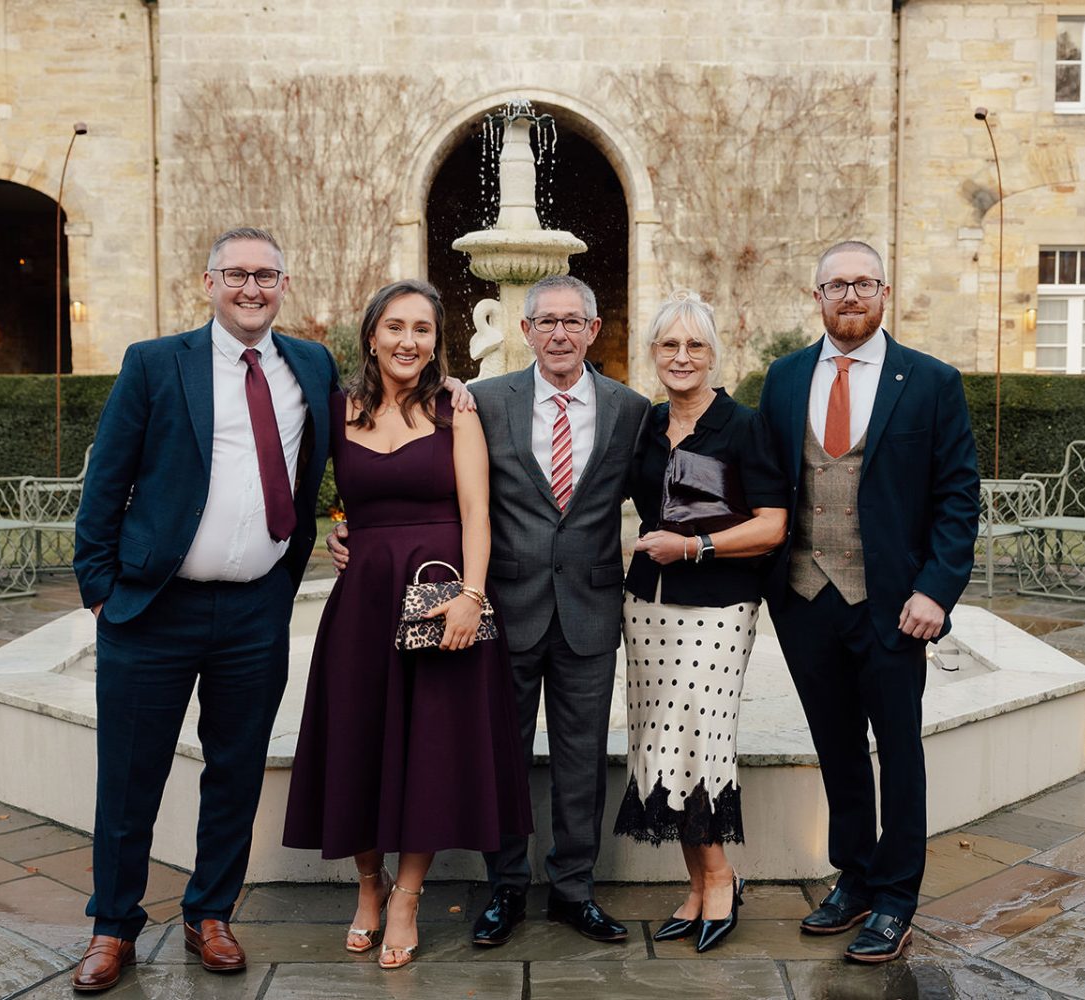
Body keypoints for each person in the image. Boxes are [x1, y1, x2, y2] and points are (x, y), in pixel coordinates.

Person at [329, 274, 650, 947]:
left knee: (583, 756)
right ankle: (506, 887)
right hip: (503, 603)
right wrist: (346, 527)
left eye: (572, 321)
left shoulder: (631, 408)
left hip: (588, 609)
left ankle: (573, 890)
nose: (558, 333)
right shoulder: (481, 401)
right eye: (545, 322)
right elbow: (437, 489)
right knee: (498, 752)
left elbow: (659, 496)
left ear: (593, 331)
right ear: (525, 330)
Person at [70, 227, 339, 992]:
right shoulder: (157, 363)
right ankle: (112, 925)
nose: (251, 289)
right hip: (152, 609)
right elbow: (106, 482)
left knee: (236, 772)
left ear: (284, 284)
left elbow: (367, 433)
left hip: (256, 610)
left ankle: (210, 913)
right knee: (129, 778)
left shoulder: (312, 366)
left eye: (266, 276)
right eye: (237, 275)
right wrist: (100, 591)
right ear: (209, 281)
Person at [282, 280, 532, 971]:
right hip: (363, 601)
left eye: (422, 329)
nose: (407, 341)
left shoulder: (457, 409)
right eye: (395, 327)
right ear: (371, 335)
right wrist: (339, 533)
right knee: (356, 740)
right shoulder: (338, 411)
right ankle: (370, 884)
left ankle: (408, 897)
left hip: (438, 599)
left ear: (435, 341)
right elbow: (329, 500)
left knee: (430, 751)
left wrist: (473, 597)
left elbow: (478, 513)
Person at [758, 241, 979, 963]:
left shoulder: (931, 382)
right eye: (835, 285)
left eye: (863, 283)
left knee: (900, 749)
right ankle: (852, 878)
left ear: (884, 292)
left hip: (893, 602)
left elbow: (956, 498)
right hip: (804, 596)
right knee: (838, 747)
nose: (849, 296)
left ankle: (895, 898)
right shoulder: (786, 378)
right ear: (816, 295)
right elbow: (766, 480)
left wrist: (935, 592)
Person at [613, 291, 787, 953]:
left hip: (717, 607)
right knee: (661, 744)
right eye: (669, 346)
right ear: (653, 353)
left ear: (714, 354)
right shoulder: (645, 427)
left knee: (700, 742)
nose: (681, 357)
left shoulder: (744, 427)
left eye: (694, 346)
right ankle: (695, 886)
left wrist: (694, 546)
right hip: (647, 606)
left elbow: (772, 524)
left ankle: (720, 877)